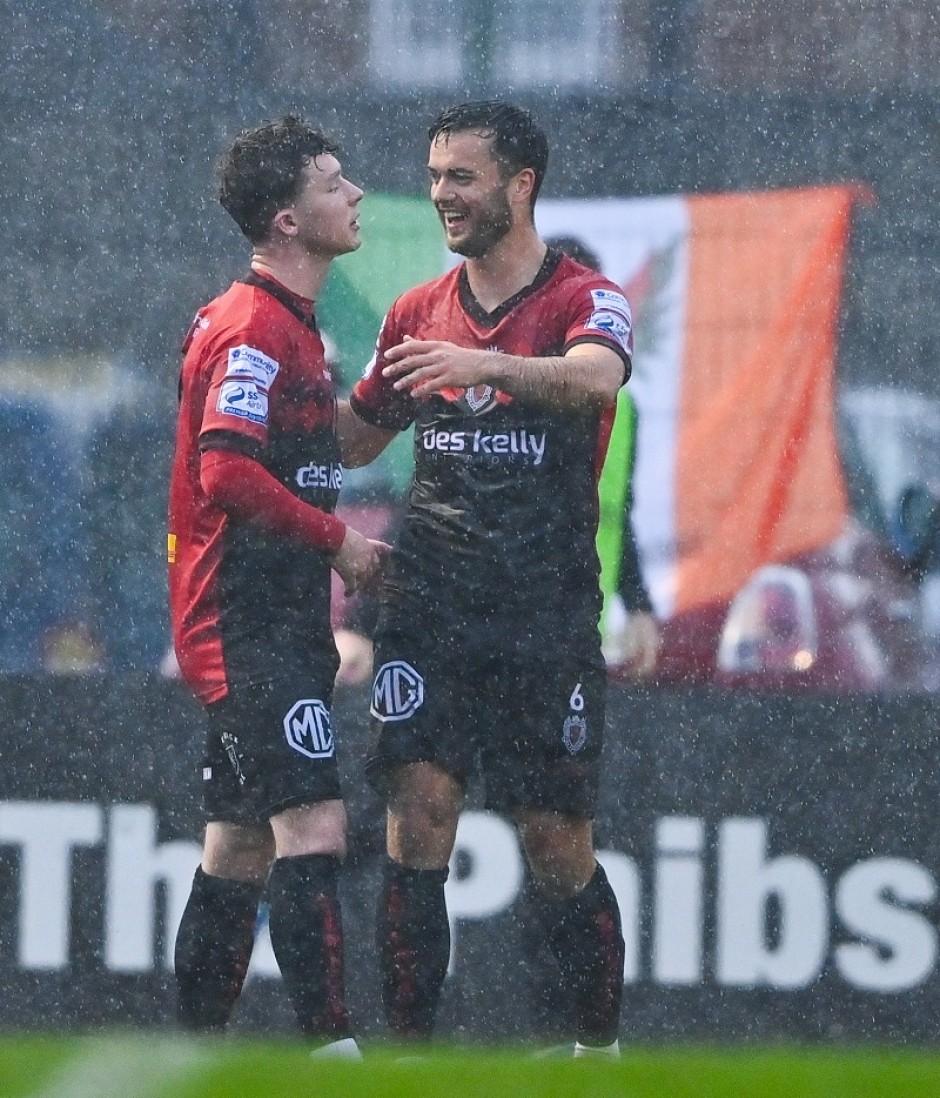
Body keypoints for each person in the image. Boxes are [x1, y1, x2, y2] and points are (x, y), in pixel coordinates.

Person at [339, 101, 631, 1057]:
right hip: (429, 607)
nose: (441, 195)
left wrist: (484, 363)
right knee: (417, 822)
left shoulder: (587, 298)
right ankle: (408, 1063)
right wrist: (286, 396)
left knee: (556, 843)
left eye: (461, 177)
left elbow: (595, 380)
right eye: (434, 177)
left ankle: (595, 1055)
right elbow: (356, 438)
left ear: (520, 185)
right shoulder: (414, 312)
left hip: (543, 614)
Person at [167, 116, 388, 1055]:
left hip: (271, 618)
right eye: (334, 183)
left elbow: (303, 450)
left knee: (238, 846)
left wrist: (386, 397)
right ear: (288, 220)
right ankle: (334, 1053)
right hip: (244, 621)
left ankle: (192, 1054)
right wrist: (339, 542)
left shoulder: (289, 325)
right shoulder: (254, 326)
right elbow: (225, 471)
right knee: (315, 828)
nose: (356, 193)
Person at [544, 236, 660, 680]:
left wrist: (639, 605)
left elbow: (614, 516)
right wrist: (366, 625)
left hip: (582, 641)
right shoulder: (499, 396)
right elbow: (431, 509)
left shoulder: (623, 410)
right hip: (503, 642)